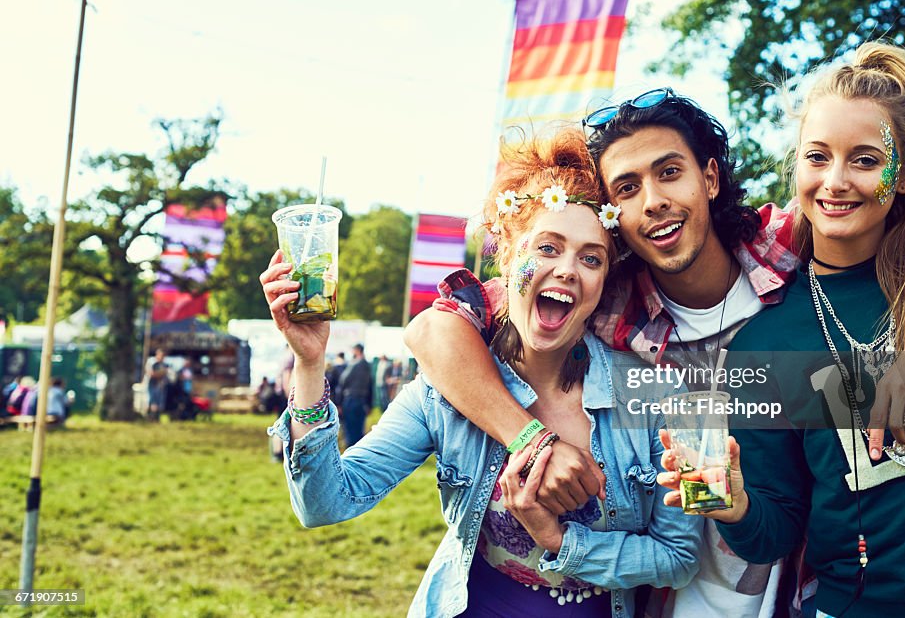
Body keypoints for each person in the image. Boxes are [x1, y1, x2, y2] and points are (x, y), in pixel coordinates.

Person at [403, 85, 905, 616]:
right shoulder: (603, 298)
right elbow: (437, 328)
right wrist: (533, 439)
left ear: (709, 176)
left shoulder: (791, 244)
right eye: (627, 187)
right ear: (614, 212)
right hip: (667, 587)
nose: (654, 201)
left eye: (669, 172)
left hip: (801, 579)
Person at [260, 130, 702, 617]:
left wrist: (559, 539)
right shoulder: (444, 391)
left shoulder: (655, 396)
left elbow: (678, 558)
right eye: (548, 248)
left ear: (604, 279)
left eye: (590, 258)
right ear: (509, 257)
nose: (568, 270)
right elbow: (325, 503)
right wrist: (309, 361)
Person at [656, 42, 905, 617]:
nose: (836, 180)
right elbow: (776, 532)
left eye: (866, 159)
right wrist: (735, 507)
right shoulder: (766, 342)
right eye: (817, 157)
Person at [336, 343, 372, 447]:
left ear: (357, 351)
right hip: (362, 401)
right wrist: (369, 404)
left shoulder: (353, 364)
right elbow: (370, 386)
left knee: (350, 430)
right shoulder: (367, 365)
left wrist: (338, 402)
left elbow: (342, 381)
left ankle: (350, 455)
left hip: (350, 400)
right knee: (359, 430)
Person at [145, 349, 170, 421]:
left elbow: (165, 373)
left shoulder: (164, 364)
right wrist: (161, 373)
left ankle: (156, 418)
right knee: (153, 402)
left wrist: (161, 373)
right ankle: (151, 418)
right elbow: (152, 374)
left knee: (159, 403)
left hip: (161, 386)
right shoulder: (152, 362)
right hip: (152, 384)